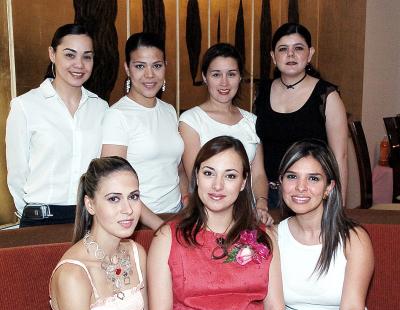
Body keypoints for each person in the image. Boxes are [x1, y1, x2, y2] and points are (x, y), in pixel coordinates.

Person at [148, 136, 291, 310]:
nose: (217, 185)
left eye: (230, 176)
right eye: (209, 173)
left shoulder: (264, 237)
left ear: (244, 182)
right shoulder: (167, 238)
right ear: (196, 176)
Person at [277, 140, 394, 310]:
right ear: (280, 182)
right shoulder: (274, 237)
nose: (301, 187)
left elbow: (352, 307)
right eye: (292, 177)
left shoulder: (353, 239)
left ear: (329, 188)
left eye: (313, 178)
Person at [47, 156, 160, 310]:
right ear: (90, 204)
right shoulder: (73, 275)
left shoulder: (137, 253)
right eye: (114, 199)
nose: (128, 209)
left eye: (133, 197)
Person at [6, 23, 108, 227]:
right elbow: (17, 174)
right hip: (40, 220)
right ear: (52, 54)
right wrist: (30, 213)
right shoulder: (25, 106)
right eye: (70, 55)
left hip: (89, 219)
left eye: (87, 56)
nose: (79, 64)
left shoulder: (101, 108)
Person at [254, 22, 348, 209]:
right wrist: (260, 200)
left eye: (298, 48)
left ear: (310, 54)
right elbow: (257, 151)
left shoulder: (327, 96)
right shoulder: (262, 92)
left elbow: (340, 157)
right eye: (283, 49)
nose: (290, 54)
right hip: (269, 196)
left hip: (310, 196)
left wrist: (339, 208)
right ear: (273, 56)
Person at [179, 43, 272, 225]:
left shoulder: (251, 121)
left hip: (248, 216)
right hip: (208, 218)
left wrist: (261, 204)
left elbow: (258, 173)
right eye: (216, 74)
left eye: (231, 74)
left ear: (240, 77)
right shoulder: (191, 120)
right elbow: (195, 177)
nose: (224, 82)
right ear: (205, 78)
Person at [101, 32, 186, 230]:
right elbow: (113, 182)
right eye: (140, 66)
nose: (149, 75)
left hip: (174, 216)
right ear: (127, 69)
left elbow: (177, 168)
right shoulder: (117, 115)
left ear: (165, 66)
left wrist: (187, 201)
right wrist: (158, 225)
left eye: (156, 66)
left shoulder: (169, 110)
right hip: (137, 222)